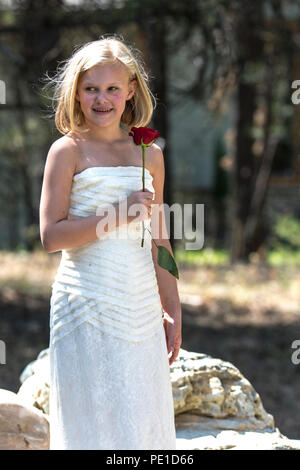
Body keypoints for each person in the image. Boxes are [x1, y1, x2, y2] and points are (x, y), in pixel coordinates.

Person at [39, 35, 182, 450]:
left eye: (112, 89)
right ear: (77, 94)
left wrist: (172, 306)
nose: (102, 99)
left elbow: (160, 240)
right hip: (85, 301)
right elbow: (51, 236)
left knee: (139, 417)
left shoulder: (148, 155)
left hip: (137, 303)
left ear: (131, 90)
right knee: (92, 417)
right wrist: (117, 215)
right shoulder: (67, 151)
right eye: (91, 89)